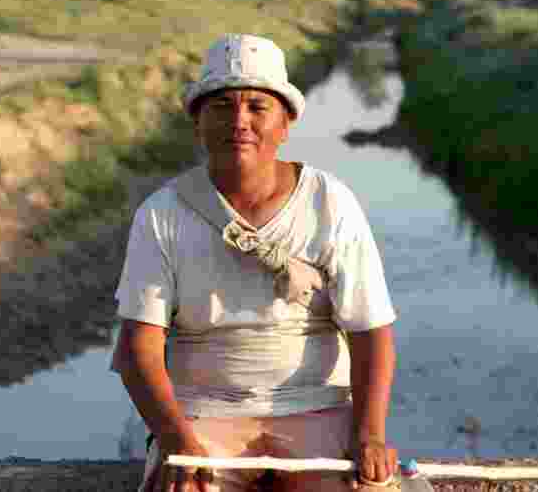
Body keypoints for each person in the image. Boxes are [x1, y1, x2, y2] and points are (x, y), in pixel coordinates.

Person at [111, 34, 399, 491]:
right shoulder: (161, 214)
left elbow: (370, 332)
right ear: (198, 123)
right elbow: (136, 349)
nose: (239, 121)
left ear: (286, 124)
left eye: (257, 107)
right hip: (202, 412)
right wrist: (174, 442)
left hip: (318, 406)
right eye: (222, 106)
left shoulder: (331, 203)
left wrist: (369, 436)